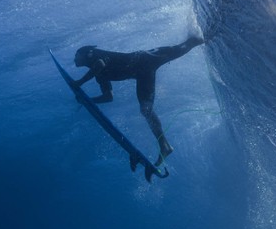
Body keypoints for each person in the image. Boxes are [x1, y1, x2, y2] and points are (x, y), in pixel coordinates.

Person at [73, 35, 204, 165]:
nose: (74, 59)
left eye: (76, 55)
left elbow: (100, 64)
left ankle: (204, 36)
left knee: (181, 48)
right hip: (142, 74)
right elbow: (109, 97)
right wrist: (88, 100)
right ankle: (165, 146)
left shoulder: (93, 55)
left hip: (145, 59)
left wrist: (79, 83)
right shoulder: (99, 76)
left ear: (84, 53)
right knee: (146, 110)